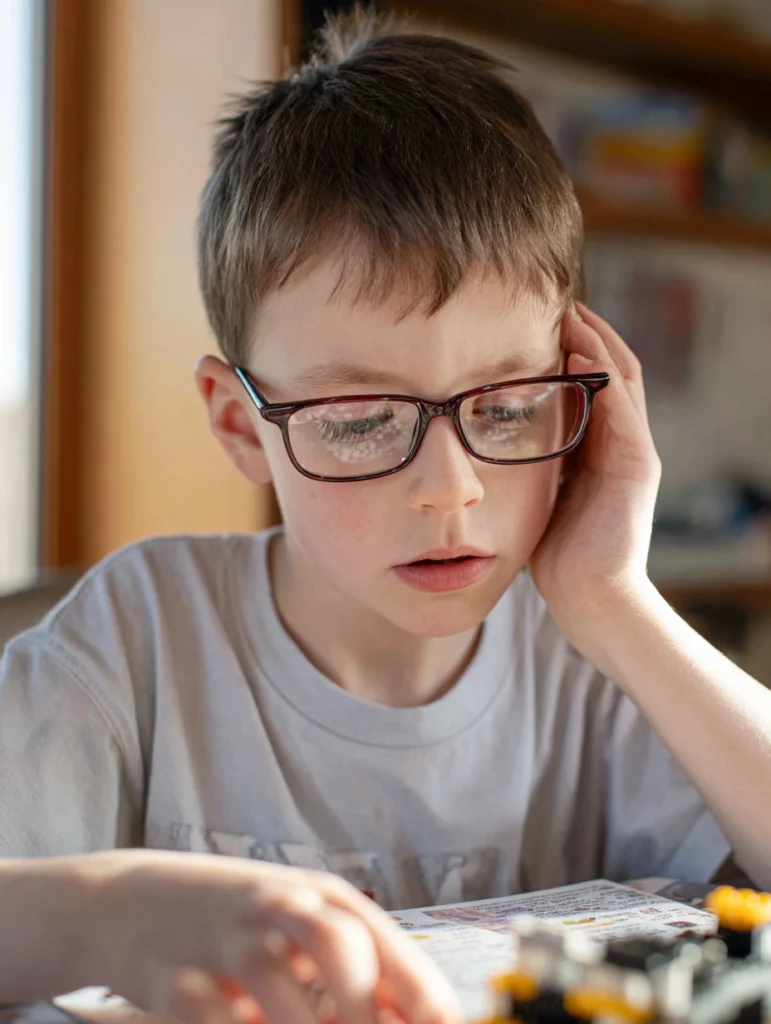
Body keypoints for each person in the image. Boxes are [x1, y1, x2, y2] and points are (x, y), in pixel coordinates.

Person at [1, 7, 770, 1020]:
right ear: (239, 424)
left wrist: (615, 601)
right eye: (361, 421)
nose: (451, 487)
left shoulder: (591, 661)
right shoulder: (136, 639)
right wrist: (102, 914)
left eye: (507, 407)